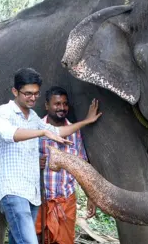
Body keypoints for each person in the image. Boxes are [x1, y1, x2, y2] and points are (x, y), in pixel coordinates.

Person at [0, 68, 102, 244]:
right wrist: (41, 131)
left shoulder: (33, 117)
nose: (32, 97)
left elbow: (57, 131)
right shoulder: (3, 112)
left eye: (35, 93)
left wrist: (85, 122)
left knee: (17, 240)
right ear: (15, 91)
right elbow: (9, 134)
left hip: (33, 194)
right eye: (27, 93)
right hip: (13, 191)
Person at [35, 86, 96, 244]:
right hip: (39, 199)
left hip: (65, 201)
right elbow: (20, 160)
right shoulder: (35, 128)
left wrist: (91, 197)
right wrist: (35, 163)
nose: (61, 108)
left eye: (64, 103)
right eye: (57, 104)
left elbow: (81, 166)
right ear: (47, 106)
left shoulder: (75, 133)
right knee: (36, 239)